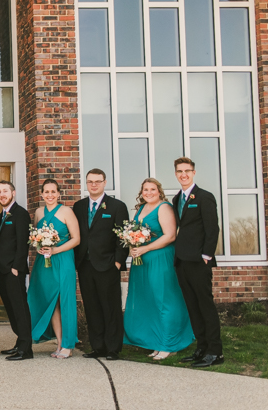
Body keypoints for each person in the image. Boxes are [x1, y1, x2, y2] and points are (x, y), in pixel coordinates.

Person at [124, 178, 193, 360]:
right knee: (150, 301)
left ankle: (169, 344)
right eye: (145, 189)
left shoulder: (164, 207)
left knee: (165, 300)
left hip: (161, 259)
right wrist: (133, 245)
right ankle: (157, 342)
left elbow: (170, 236)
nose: (149, 192)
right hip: (142, 261)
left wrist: (145, 248)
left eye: (152, 189)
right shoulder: (140, 209)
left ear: (159, 191)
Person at [73, 169, 130, 361]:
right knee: (92, 307)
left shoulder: (117, 206)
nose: (94, 185)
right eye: (90, 182)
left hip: (107, 265)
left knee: (110, 307)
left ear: (105, 183)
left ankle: (113, 348)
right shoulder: (79, 206)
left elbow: (123, 238)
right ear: (86, 184)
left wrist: (117, 262)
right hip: (85, 265)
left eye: (98, 181)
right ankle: (98, 347)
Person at [172, 157, 223, 368]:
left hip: (199, 262)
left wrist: (206, 256)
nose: (183, 174)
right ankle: (201, 348)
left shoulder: (204, 197)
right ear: (176, 174)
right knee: (192, 307)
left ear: (194, 173)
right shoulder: (176, 199)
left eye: (187, 170)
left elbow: (213, 229)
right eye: (179, 171)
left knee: (205, 306)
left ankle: (215, 352)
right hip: (182, 261)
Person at [28, 179, 80, 359]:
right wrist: (39, 247)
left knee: (64, 299)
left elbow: (76, 239)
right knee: (51, 301)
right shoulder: (38, 212)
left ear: (59, 194)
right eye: (46, 192)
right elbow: (35, 237)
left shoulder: (66, 211)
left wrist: (55, 249)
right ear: (41, 194)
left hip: (63, 259)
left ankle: (68, 345)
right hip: (44, 262)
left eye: (53, 192)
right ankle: (59, 343)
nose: (50, 195)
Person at [0, 180, 33, 361]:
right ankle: (19, 343)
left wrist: (17, 267)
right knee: (11, 309)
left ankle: (26, 349)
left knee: (20, 308)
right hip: (2, 271)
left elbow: (23, 243)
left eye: (5, 191)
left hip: (14, 271)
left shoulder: (21, 214)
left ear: (13, 193)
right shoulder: (2, 216)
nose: (2, 194)